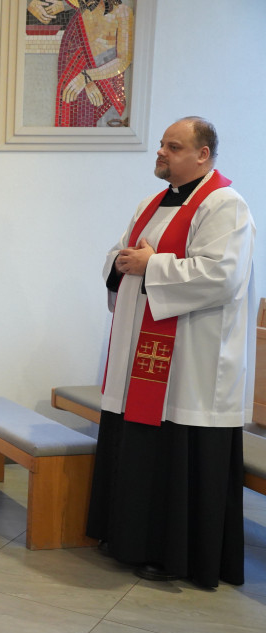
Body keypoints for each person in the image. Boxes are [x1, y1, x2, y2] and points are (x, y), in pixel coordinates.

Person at [87, 116, 254, 588]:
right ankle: (128, 538)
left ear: (203, 155)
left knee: (173, 452)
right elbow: (121, 254)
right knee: (139, 446)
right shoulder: (152, 202)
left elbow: (222, 275)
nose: (161, 153)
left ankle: (170, 551)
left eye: (173, 146)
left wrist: (150, 264)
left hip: (192, 361)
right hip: (141, 354)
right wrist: (123, 263)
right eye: (161, 145)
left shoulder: (226, 206)